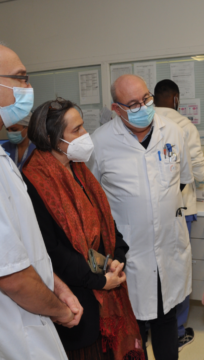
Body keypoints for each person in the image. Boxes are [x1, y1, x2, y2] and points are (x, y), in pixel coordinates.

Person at [22, 98, 144, 360]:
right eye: (76, 130)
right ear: (53, 139)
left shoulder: (79, 170)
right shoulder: (34, 182)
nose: (85, 135)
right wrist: (100, 281)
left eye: (83, 127)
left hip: (105, 284)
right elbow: (52, 251)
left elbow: (106, 223)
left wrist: (118, 259)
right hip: (76, 299)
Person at [88, 74, 194, 360]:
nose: (143, 107)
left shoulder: (172, 131)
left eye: (146, 99)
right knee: (132, 329)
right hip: (129, 254)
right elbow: (91, 197)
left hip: (168, 248)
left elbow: (181, 181)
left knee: (166, 321)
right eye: (132, 103)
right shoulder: (100, 143)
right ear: (116, 108)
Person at [0, 45, 83, 360]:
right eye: (21, 79)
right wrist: (60, 311)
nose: (29, 89)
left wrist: (54, 285)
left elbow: (23, 251)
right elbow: (12, 276)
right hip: (15, 332)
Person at [154, 79, 204, 351]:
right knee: (179, 269)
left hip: (151, 213)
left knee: (155, 268)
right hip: (180, 209)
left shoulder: (141, 125)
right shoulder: (184, 126)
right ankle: (176, 330)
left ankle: (156, 325)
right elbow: (198, 173)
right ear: (175, 98)